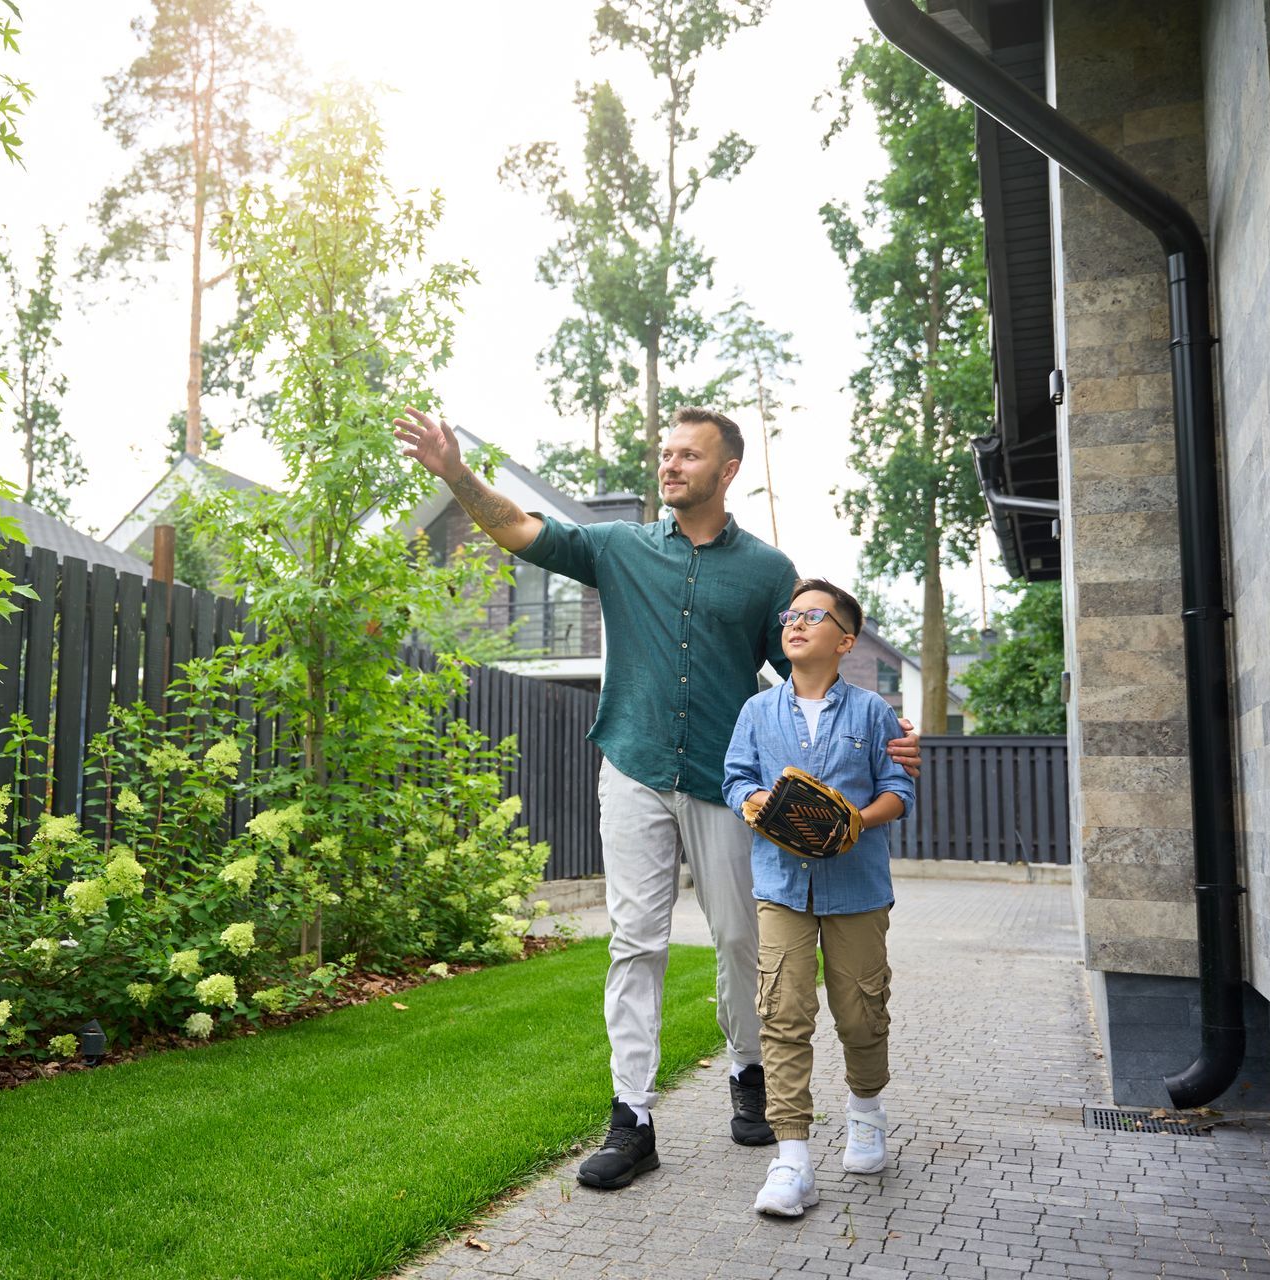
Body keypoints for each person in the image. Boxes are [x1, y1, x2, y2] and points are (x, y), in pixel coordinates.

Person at [392, 405, 919, 1191]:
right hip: (633, 767)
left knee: (743, 939)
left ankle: (748, 1069)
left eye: (687, 456)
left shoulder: (768, 573)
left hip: (726, 782)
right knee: (635, 941)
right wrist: (457, 474)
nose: (669, 465)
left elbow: (809, 669)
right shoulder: (619, 548)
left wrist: (883, 735)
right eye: (664, 453)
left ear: (727, 470)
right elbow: (519, 530)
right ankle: (631, 1118)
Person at [722, 578, 914, 1217]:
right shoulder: (756, 712)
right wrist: (753, 803)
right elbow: (736, 778)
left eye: (814, 615)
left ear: (846, 640)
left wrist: (859, 820)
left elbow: (899, 790)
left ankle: (865, 1112)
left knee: (860, 1011)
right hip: (781, 887)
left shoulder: (873, 712)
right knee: (783, 1011)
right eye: (791, 614)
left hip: (858, 886)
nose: (796, 623)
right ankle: (792, 1157)